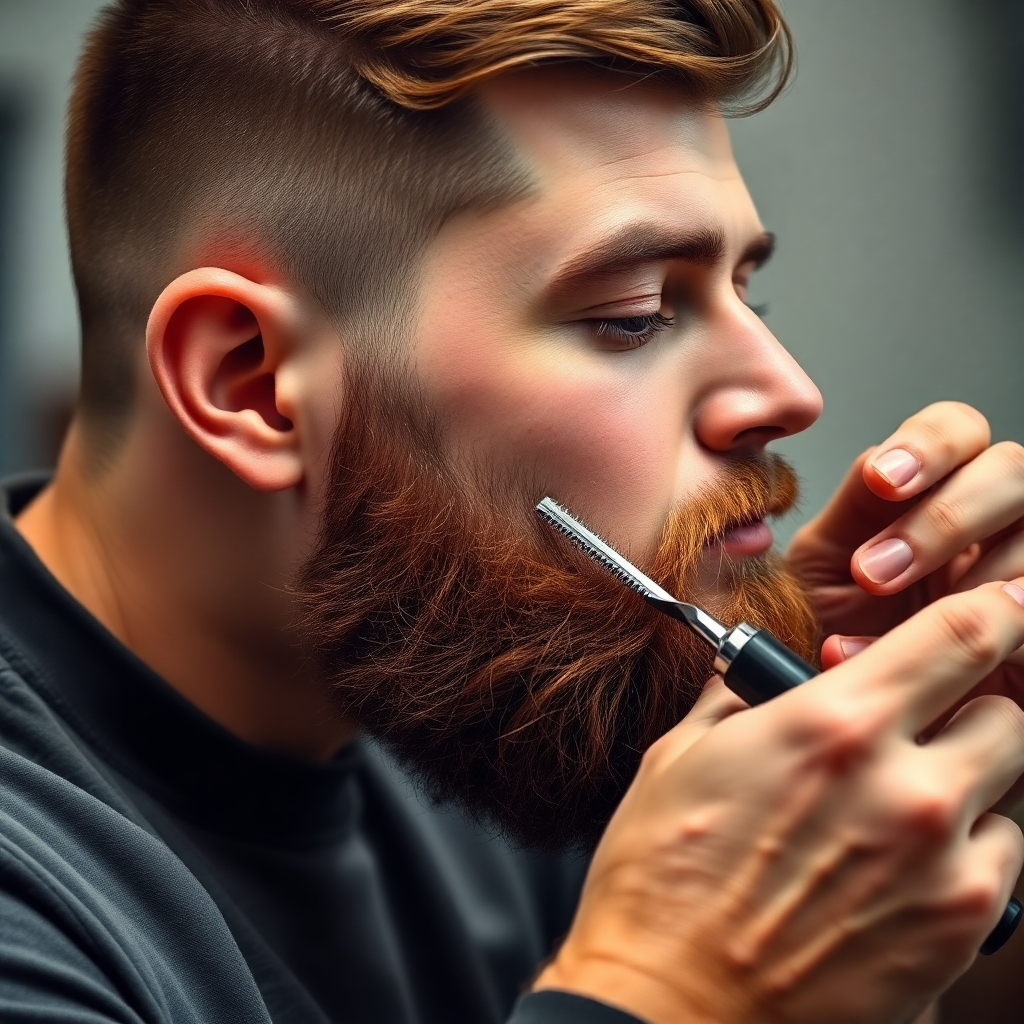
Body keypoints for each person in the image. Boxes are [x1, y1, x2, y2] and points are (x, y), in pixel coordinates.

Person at [3, 0, 1024, 1021]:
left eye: (745, 298)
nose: (790, 391)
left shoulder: (493, 694)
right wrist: (671, 991)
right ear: (254, 384)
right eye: (633, 317)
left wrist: (936, 774)